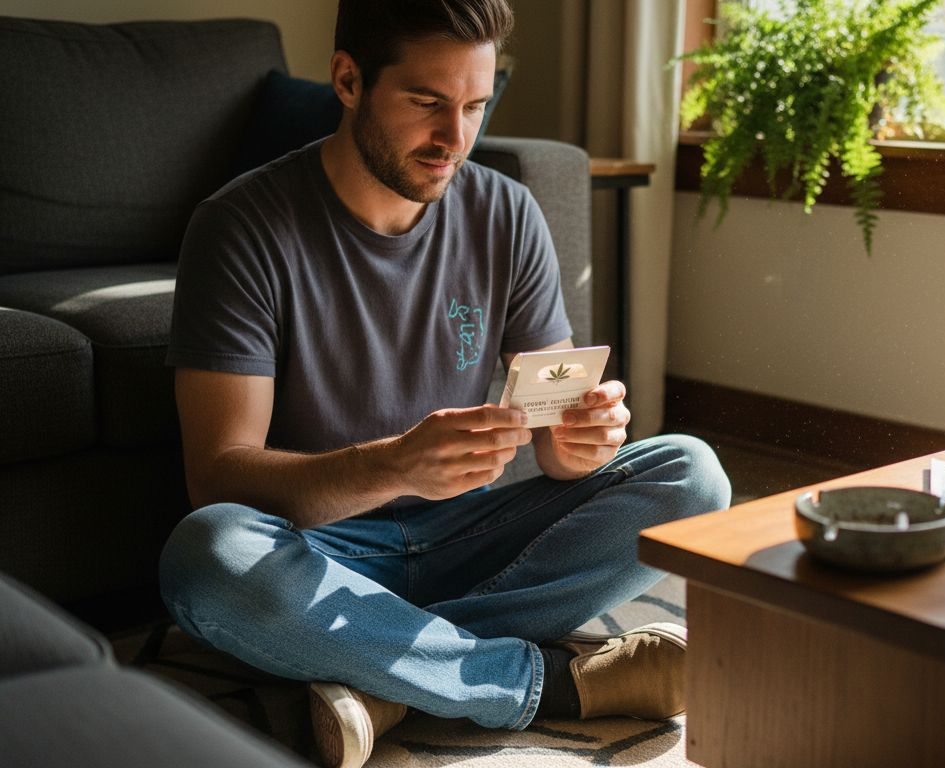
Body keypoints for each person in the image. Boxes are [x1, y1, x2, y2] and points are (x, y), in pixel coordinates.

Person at [157, 2, 731, 767]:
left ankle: (388, 674)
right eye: (427, 103)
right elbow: (217, 476)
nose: (455, 138)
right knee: (208, 555)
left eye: (475, 105)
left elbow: (558, 449)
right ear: (348, 79)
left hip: (466, 534)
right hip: (319, 549)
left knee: (692, 477)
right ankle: (540, 683)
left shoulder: (508, 212)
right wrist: (392, 464)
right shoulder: (242, 227)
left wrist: (580, 439)